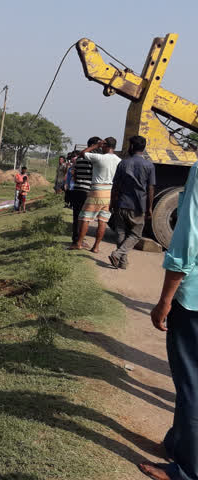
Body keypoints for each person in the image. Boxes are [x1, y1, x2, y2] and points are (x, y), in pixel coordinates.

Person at [141, 160, 198, 480]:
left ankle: (188, 470)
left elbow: (188, 237)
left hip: (194, 303)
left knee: (191, 384)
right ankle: (178, 443)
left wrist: (165, 299)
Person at [109, 135, 156, 269]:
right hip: (138, 205)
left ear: (132, 147)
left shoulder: (123, 163)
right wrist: (150, 207)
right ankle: (119, 256)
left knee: (120, 232)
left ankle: (121, 260)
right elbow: (150, 188)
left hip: (121, 203)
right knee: (135, 234)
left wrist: (112, 203)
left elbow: (115, 186)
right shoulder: (149, 165)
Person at [70, 136, 121, 253]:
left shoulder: (100, 158)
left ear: (105, 145)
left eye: (103, 145)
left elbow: (83, 153)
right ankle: (96, 247)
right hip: (109, 192)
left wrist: (95, 146)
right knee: (103, 221)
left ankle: (78, 243)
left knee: (85, 217)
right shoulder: (119, 161)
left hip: (97, 190)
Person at [67, 138, 99, 247]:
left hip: (77, 189)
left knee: (76, 216)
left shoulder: (78, 159)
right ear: (93, 145)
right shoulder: (92, 159)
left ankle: (75, 239)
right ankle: (80, 241)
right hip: (86, 190)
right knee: (84, 217)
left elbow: (74, 174)